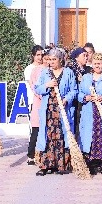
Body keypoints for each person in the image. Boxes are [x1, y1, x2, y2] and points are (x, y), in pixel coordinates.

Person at [34, 48, 77, 176]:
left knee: (61, 136)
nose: (51, 62)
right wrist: (47, 85)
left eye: (54, 59)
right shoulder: (45, 73)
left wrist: (66, 99)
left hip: (62, 109)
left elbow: (74, 90)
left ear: (60, 60)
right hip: (49, 109)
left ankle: (60, 165)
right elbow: (37, 89)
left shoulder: (68, 73)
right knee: (47, 136)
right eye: (49, 59)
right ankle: (45, 165)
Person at [24, 45, 45, 164]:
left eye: (42, 55)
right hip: (34, 101)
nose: (40, 57)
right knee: (34, 129)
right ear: (33, 56)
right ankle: (31, 155)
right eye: (38, 55)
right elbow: (32, 86)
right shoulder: (30, 69)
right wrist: (39, 95)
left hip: (43, 101)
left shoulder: (45, 68)